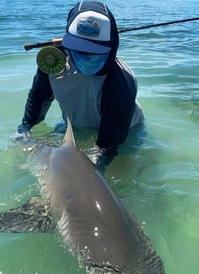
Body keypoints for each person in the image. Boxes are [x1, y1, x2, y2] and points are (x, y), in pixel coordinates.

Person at [12, 1, 144, 160]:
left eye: (94, 53)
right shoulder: (53, 62)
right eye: (79, 50)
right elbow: (39, 95)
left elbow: (108, 146)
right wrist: (24, 127)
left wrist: (99, 163)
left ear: (112, 48)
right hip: (74, 126)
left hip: (125, 130)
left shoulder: (122, 84)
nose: (86, 57)